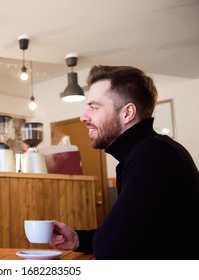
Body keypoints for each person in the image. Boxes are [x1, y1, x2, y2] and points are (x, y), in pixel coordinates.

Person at [49, 65, 199, 259]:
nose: (83, 117)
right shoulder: (147, 152)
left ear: (127, 113)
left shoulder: (152, 154)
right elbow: (136, 236)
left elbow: (111, 247)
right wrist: (78, 239)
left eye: (94, 107)